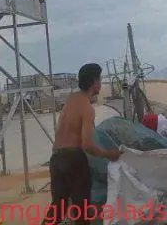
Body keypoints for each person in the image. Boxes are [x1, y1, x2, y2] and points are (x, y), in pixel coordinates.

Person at [46, 63, 122, 225]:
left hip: (56, 159)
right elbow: (87, 145)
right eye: (100, 79)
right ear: (94, 82)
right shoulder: (87, 108)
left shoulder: (71, 101)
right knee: (81, 212)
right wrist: (111, 155)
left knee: (57, 210)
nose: (101, 84)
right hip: (73, 159)